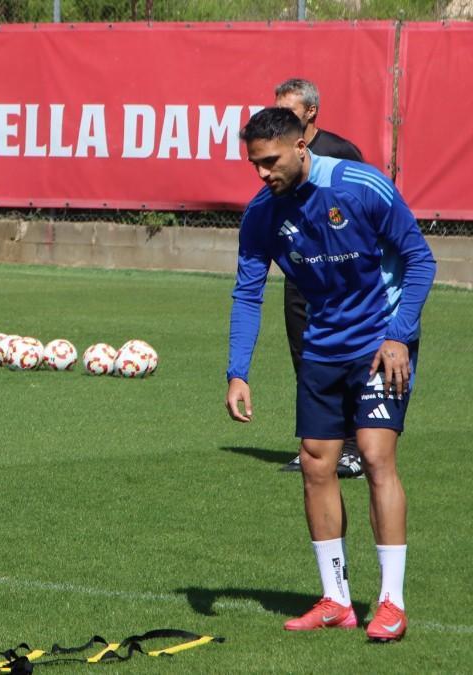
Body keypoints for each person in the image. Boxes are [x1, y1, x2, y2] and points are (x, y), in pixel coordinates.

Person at [226, 107, 435, 642]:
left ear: (301, 146)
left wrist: (398, 335)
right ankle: (336, 599)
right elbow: (249, 292)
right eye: (253, 163)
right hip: (322, 350)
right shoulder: (260, 215)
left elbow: (420, 259)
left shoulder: (361, 185)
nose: (261, 173)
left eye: (269, 161)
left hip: (379, 346)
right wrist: (238, 371)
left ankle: (391, 601)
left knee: (373, 453)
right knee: (316, 464)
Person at [274, 78, 366, 477]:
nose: (279, 118)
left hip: (343, 277)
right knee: (305, 357)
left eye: (288, 111)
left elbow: (366, 208)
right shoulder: (279, 155)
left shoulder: (341, 153)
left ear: (310, 112)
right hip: (300, 275)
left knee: (345, 360)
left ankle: (352, 447)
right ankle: (316, 446)